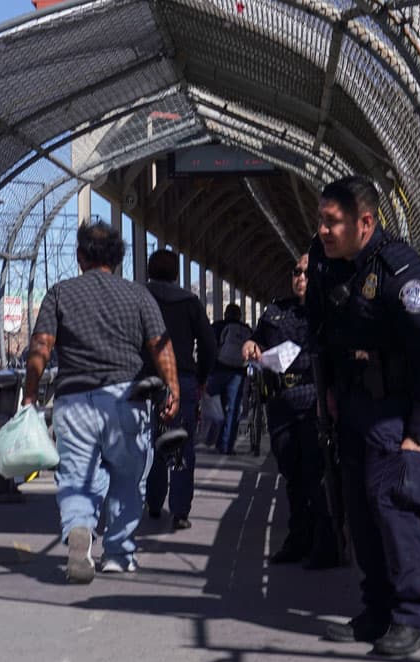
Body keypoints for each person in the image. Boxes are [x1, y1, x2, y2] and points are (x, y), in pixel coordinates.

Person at [307, 176, 420, 658]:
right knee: (360, 514)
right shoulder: (329, 264)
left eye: (333, 222)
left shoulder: (398, 271)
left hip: (391, 411)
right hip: (349, 407)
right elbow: (322, 333)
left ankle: (411, 617)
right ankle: (375, 611)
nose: (323, 231)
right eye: (320, 221)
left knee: (392, 512)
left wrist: (419, 433)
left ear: (364, 222)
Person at [22, 220, 179, 582]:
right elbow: (160, 344)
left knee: (78, 476)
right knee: (129, 477)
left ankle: (79, 529)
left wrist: (30, 395)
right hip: (127, 397)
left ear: (80, 257)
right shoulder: (138, 295)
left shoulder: (61, 293)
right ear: (118, 258)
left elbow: (41, 347)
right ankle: (119, 553)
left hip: (73, 401)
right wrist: (174, 388)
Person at [243, 251, 341, 567]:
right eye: (296, 272)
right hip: (280, 403)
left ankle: (325, 542)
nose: (300, 277)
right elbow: (257, 338)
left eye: (307, 273)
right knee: (292, 473)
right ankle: (298, 538)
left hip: (312, 400)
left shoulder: (328, 314)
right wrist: (251, 344)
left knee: (316, 472)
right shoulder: (276, 310)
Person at [141, 249, 211, 531]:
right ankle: (180, 510)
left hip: (145, 381)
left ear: (148, 271)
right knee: (180, 443)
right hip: (181, 379)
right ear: (176, 274)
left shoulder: (138, 298)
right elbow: (209, 344)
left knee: (151, 443)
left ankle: (154, 502)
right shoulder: (190, 302)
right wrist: (202, 375)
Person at [208, 305, 252, 453]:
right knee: (233, 409)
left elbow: (208, 346)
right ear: (240, 315)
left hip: (217, 370)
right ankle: (226, 445)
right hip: (238, 373)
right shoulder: (246, 329)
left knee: (213, 406)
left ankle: (211, 438)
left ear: (225, 313)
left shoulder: (217, 326)